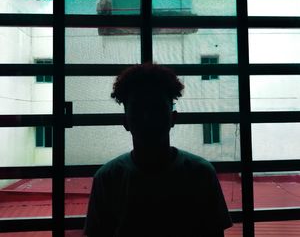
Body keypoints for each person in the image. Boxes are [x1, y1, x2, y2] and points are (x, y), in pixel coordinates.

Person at [84, 63, 232, 237]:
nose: (148, 118)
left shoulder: (109, 178)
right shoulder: (200, 173)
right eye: (139, 109)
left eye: (156, 108)